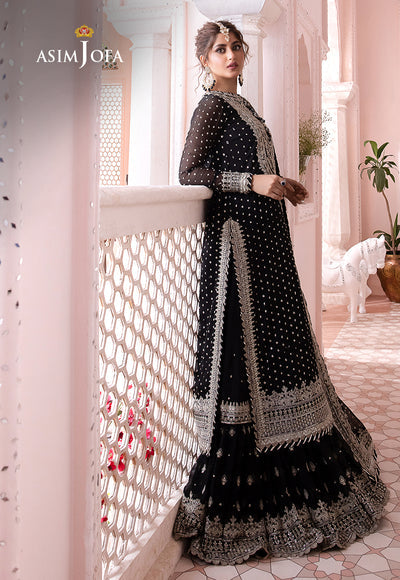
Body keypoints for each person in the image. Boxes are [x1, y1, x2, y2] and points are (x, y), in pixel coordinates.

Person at [173, 20, 388, 565]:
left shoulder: (244, 108)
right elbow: (190, 172)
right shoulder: (211, 109)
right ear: (203, 60)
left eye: (236, 46)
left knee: (277, 345)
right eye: (219, 49)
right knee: (245, 353)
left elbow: (250, 169)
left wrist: (281, 185)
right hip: (238, 250)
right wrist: (254, 183)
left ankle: (296, 438)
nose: (231, 54)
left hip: (264, 243)